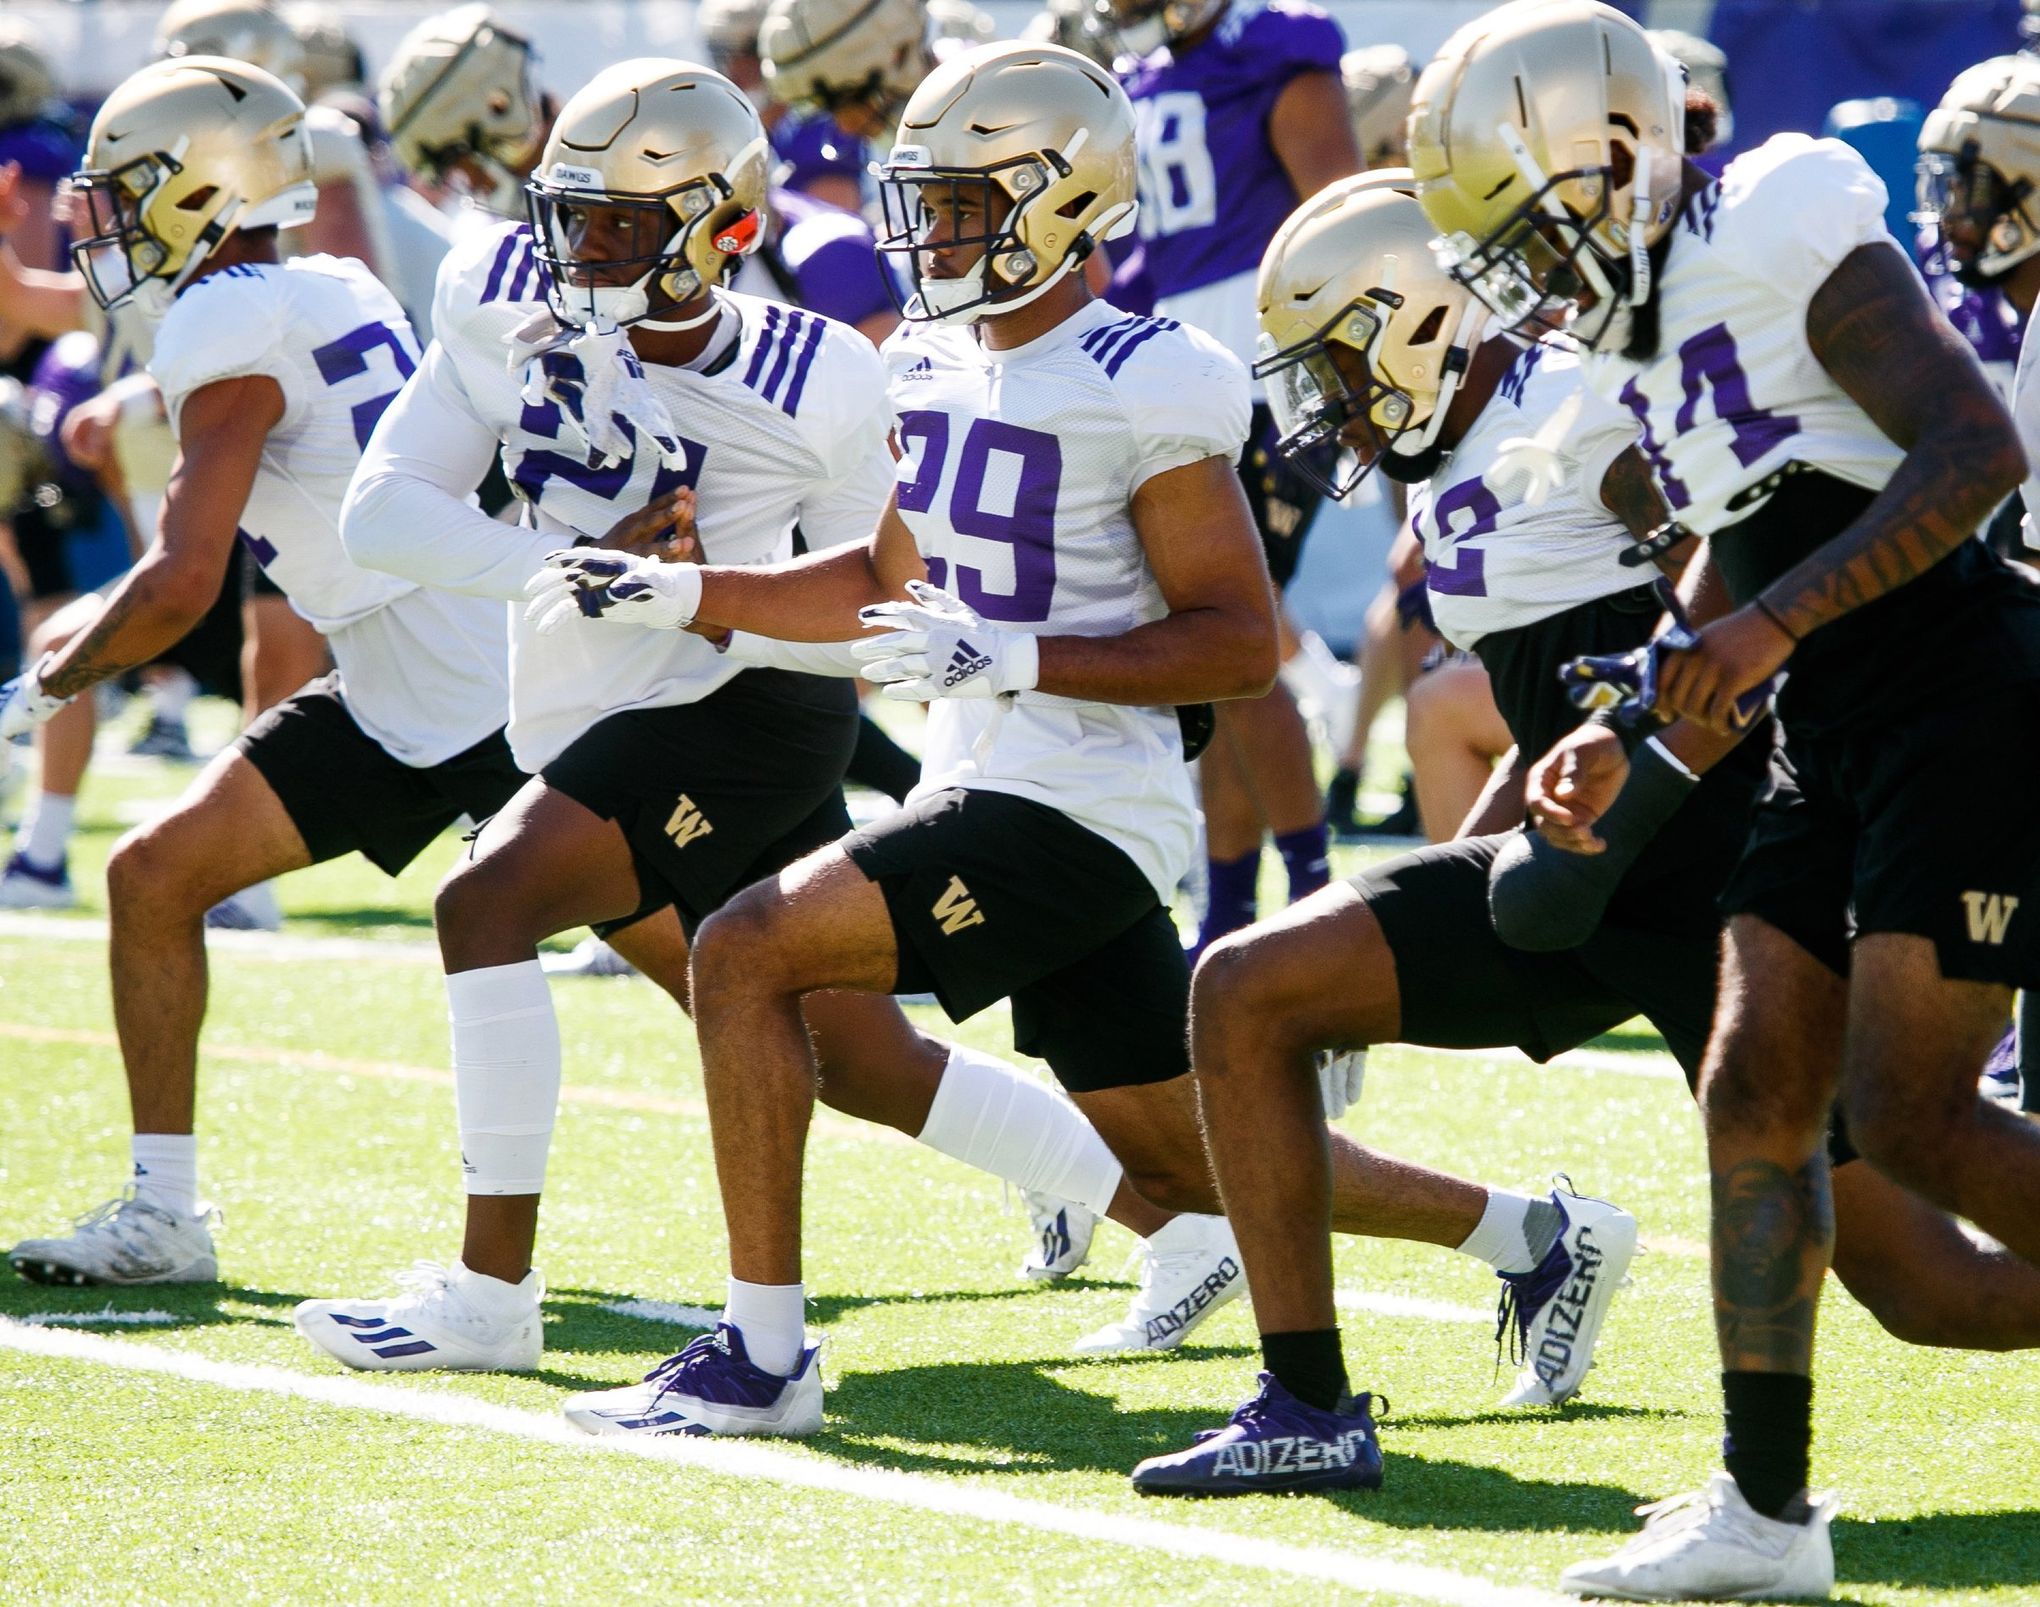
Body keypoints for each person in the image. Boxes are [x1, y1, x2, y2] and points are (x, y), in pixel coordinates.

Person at [295, 58, 1211, 1374]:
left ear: (720, 227)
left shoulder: (823, 371)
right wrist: (574, 567)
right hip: (591, 706)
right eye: (574, 217)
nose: (586, 250)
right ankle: (1171, 1218)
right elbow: (383, 511)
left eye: (625, 222)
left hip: (751, 708)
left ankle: (492, 1293)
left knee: (482, 903)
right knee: (845, 1050)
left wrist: (679, 596)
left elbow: (866, 596)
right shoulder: (497, 304)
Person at [1413, 4, 2040, 1598]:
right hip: (1825, 723)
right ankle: (1766, 1513)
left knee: (1908, 1115)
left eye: (1533, 226)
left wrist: (1763, 629)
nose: (1533, 277)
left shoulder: (1774, 211)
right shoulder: (1631, 335)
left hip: (1971, 698)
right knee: (1754, 1086)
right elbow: (1732, 524)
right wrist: (1637, 706)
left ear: (1611, 153)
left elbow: (1969, 454)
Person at [1, 57, 515, 1288]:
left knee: (735, 977)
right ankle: (164, 1212)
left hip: (469, 689)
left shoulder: (220, 317)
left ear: (199, 189)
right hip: (429, 668)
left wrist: (46, 685)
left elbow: (184, 576)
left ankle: (1052, 1156)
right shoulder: (327, 279)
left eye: (130, 190)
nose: (107, 217)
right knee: (154, 876)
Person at [1099, 0, 1361, 957]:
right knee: (1213, 652)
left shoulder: (1276, 46)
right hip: (1180, 371)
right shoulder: (1147, 74)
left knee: (1232, 642)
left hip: (1268, 369)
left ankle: (1306, 884)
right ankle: (1235, 907)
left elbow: (1342, 211)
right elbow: (1145, 261)